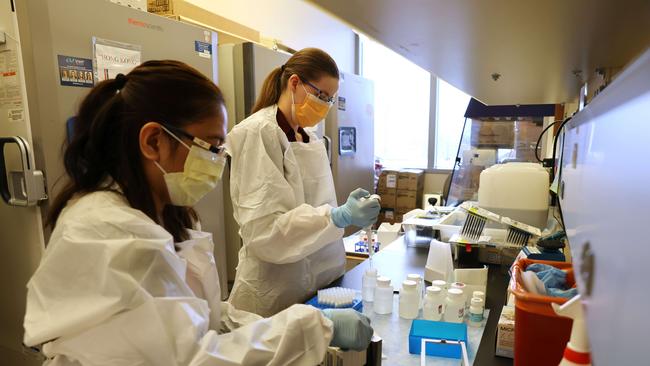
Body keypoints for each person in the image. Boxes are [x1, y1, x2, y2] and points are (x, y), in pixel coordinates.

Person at [23, 60, 372, 365]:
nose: (219, 161)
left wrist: (302, 323)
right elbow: (192, 359)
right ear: (153, 141)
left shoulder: (163, 214)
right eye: (212, 146)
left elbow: (203, 315)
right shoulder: (109, 232)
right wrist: (311, 328)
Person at [227, 48, 381, 316]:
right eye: (320, 95)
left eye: (330, 99)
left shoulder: (310, 138)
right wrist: (337, 217)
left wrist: (343, 212)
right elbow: (264, 232)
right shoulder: (258, 133)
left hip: (319, 282)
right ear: (295, 83)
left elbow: (315, 204)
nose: (324, 105)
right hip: (273, 292)